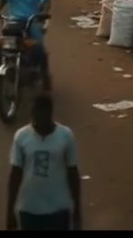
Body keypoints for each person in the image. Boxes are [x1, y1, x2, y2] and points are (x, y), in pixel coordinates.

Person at [6, 94, 81, 231]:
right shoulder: (21, 137)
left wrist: (77, 212)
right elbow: (15, 174)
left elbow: (73, 173)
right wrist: (9, 211)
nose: (35, 119)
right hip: (29, 209)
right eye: (33, 113)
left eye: (40, 114)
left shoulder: (65, 136)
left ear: (49, 114)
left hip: (58, 210)